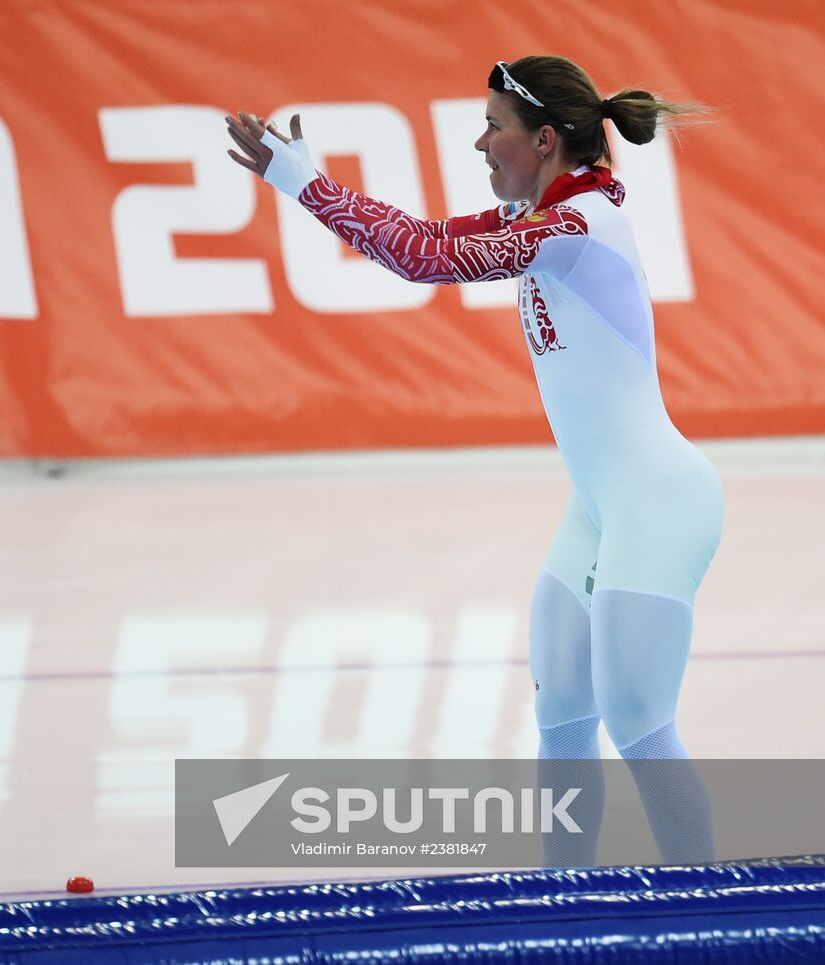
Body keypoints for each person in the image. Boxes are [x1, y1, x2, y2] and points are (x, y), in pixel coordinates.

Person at [225, 55, 720, 866]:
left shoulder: (576, 227)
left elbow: (421, 260)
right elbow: (421, 241)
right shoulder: (544, 217)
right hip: (601, 508)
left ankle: (713, 928)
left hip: (660, 504)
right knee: (562, 706)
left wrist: (301, 186)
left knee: (637, 719)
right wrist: (309, 180)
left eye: (495, 126)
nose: (480, 142)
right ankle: (561, 913)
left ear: (546, 139)